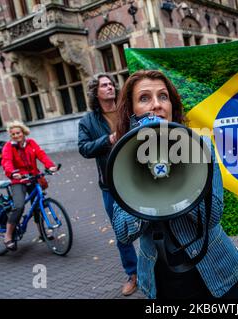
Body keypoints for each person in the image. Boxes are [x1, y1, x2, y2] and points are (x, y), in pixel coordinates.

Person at [111, 70, 238, 299]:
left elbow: (212, 216)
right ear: (131, 112)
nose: (156, 105)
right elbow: (123, 231)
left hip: (214, 271)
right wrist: (144, 173)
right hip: (162, 280)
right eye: (144, 98)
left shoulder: (199, 145)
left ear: (172, 106)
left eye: (163, 96)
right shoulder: (123, 158)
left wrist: (178, 168)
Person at [78, 73, 138, 296]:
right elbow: (84, 148)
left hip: (138, 179)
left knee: (154, 226)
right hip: (110, 185)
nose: (110, 87)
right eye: (104, 85)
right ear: (96, 92)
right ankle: (133, 274)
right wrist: (108, 139)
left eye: (111, 84)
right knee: (122, 232)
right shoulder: (88, 121)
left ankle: (157, 268)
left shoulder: (128, 110)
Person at [1, 120, 58, 251]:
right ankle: (8, 236)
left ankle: (42, 233)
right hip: (18, 180)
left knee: (38, 205)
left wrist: (50, 166)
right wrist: (12, 173)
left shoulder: (31, 143)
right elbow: (7, 162)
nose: (16, 135)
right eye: (13, 134)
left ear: (23, 132)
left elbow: (41, 155)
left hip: (32, 178)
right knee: (19, 206)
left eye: (18, 133)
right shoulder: (8, 147)